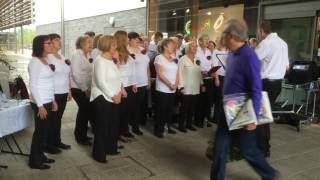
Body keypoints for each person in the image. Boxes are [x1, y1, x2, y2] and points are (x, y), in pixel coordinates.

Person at [210, 19, 279, 180]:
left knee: (248, 150)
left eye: (225, 34)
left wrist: (253, 117)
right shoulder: (233, 54)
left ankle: (269, 174)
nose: (223, 37)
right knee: (220, 148)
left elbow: (256, 88)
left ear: (232, 36)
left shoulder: (249, 57)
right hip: (228, 107)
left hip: (242, 109)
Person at [255, 20, 289, 158]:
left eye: (259, 30)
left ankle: (263, 149)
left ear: (262, 30)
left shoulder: (266, 43)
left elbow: (252, 59)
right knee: (265, 116)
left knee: (261, 117)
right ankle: (263, 146)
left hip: (266, 84)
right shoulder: (283, 43)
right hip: (277, 84)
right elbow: (287, 67)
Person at [28, 35, 58, 169]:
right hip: (39, 102)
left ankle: (41, 155)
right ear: (40, 45)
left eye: (51, 42)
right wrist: (40, 106)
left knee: (45, 131)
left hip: (47, 100)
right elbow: (33, 85)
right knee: (40, 132)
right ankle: (34, 161)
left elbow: (49, 82)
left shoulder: (45, 59)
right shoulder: (35, 62)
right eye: (48, 43)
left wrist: (53, 100)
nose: (51, 45)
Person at [91, 35, 122, 163]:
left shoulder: (111, 60)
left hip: (114, 96)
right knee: (102, 127)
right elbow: (100, 82)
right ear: (106, 45)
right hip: (102, 97)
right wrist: (113, 95)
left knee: (113, 125)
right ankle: (99, 154)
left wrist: (119, 92)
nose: (116, 47)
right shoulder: (99, 61)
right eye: (114, 44)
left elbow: (117, 78)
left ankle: (111, 148)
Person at [46, 33, 72, 154]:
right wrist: (51, 98)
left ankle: (57, 141)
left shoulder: (62, 56)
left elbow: (67, 74)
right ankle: (49, 144)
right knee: (52, 120)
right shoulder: (48, 58)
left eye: (60, 40)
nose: (59, 42)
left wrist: (69, 90)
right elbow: (47, 78)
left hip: (63, 92)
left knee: (58, 119)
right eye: (57, 40)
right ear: (50, 42)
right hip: (54, 93)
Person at [70, 35, 94, 145]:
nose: (91, 44)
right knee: (84, 110)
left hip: (87, 87)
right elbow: (75, 74)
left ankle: (82, 134)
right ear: (81, 44)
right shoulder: (76, 55)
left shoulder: (88, 54)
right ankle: (80, 137)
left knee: (85, 111)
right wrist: (85, 89)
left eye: (91, 42)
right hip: (78, 88)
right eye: (88, 42)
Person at [114, 30, 137, 142]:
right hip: (121, 86)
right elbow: (117, 72)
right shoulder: (116, 52)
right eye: (127, 37)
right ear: (122, 39)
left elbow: (132, 70)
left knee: (127, 110)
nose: (129, 39)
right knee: (120, 111)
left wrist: (134, 83)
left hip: (129, 84)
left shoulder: (126, 51)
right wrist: (122, 88)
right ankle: (118, 133)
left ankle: (125, 130)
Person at [154, 38, 179, 138]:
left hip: (173, 88)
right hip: (163, 88)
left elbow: (177, 72)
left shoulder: (173, 57)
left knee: (169, 109)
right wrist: (170, 84)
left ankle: (168, 126)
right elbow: (160, 74)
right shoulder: (159, 58)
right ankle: (158, 129)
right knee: (161, 110)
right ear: (165, 46)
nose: (174, 47)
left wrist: (176, 84)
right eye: (172, 45)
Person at [178, 41, 204, 132]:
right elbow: (179, 74)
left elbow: (199, 73)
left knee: (192, 108)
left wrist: (202, 83)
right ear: (188, 48)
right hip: (186, 87)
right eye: (193, 46)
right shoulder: (183, 59)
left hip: (195, 87)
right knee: (184, 108)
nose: (195, 48)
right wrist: (181, 87)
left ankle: (189, 124)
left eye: (196, 46)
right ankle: (181, 125)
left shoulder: (197, 59)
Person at [128, 32, 151, 134]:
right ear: (129, 40)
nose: (138, 40)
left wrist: (149, 79)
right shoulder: (127, 50)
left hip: (143, 82)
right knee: (132, 106)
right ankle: (132, 127)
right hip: (132, 83)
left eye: (138, 38)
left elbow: (147, 66)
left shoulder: (142, 50)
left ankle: (135, 125)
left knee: (139, 105)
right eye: (135, 38)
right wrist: (133, 82)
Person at [195, 35, 213, 128]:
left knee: (208, 101)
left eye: (208, 40)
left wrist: (211, 71)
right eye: (206, 40)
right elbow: (196, 65)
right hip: (199, 79)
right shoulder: (196, 51)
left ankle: (206, 119)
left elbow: (211, 64)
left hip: (209, 78)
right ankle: (198, 120)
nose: (207, 42)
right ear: (200, 41)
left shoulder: (209, 51)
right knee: (200, 101)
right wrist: (202, 71)